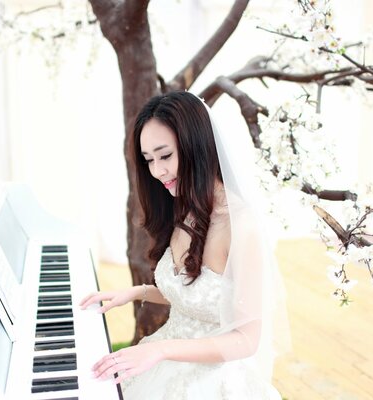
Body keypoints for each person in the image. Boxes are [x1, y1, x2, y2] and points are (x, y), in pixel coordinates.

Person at [80, 91, 288, 399]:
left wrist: (163, 350)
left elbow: (246, 339)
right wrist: (137, 293)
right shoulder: (185, 206)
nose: (157, 171)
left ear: (197, 147)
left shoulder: (241, 226)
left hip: (212, 381)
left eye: (165, 156)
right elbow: (195, 297)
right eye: (149, 160)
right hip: (164, 362)